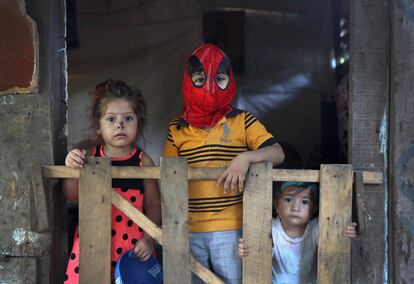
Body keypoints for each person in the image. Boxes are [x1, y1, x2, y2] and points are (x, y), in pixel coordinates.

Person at [163, 43, 285, 283]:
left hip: (232, 228)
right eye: (200, 79)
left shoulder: (243, 121)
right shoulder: (177, 128)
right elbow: (168, 179)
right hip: (188, 228)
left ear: (230, 81)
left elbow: (278, 152)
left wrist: (246, 157)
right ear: (188, 82)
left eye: (219, 78)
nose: (209, 87)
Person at [63, 79, 161, 283]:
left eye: (128, 118)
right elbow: (71, 194)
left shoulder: (143, 161)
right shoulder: (88, 157)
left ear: (138, 123)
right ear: (98, 126)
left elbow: (153, 204)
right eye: (111, 119)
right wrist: (71, 165)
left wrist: (149, 239)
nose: (120, 124)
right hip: (91, 244)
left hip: (133, 247)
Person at [237, 181, 357, 284]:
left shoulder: (316, 228)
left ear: (314, 209)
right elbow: (255, 250)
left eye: (304, 202)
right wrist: (245, 250)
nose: (295, 208)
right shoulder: (268, 228)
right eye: (288, 200)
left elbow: (336, 232)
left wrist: (347, 231)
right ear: (275, 205)